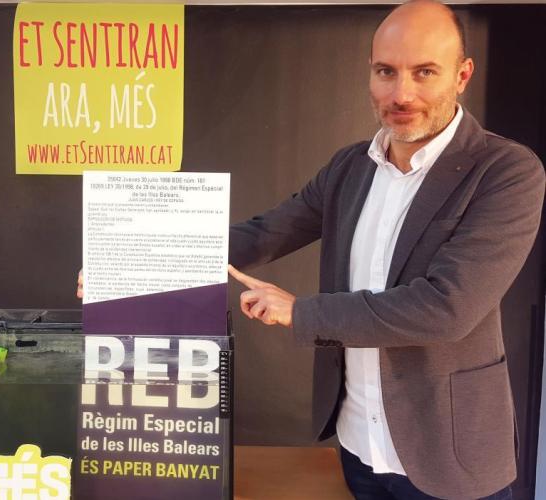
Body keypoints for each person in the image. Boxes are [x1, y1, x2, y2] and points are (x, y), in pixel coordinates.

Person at [226, 1, 545, 499]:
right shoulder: (349, 166)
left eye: (424, 72)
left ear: (462, 75)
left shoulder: (505, 171)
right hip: (357, 446)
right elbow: (267, 232)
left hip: (449, 457)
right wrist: (145, 256)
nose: (401, 94)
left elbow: (446, 308)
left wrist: (301, 312)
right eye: (386, 72)